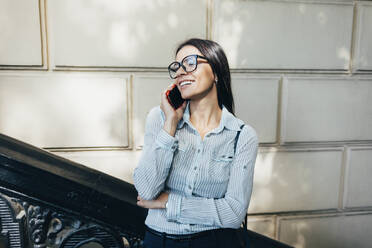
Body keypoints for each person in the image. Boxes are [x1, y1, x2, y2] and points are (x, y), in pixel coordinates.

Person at [133, 38, 258, 248]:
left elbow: (233, 213)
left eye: (190, 63)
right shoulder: (160, 118)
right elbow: (146, 192)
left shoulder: (242, 136)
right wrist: (171, 124)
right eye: (177, 67)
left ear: (216, 72)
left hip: (214, 243)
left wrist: (168, 202)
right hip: (158, 241)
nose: (181, 72)